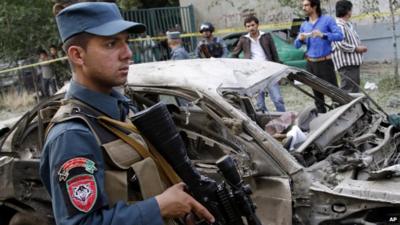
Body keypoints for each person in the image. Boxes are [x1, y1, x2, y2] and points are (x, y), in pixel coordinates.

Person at [39, 2, 215, 225]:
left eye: (126, 42)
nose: (128, 53)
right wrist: (159, 207)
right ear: (78, 55)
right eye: (111, 44)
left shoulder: (123, 111)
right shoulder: (73, 135)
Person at [294, 0, 343, 113]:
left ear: (314, 6)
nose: (303, 8)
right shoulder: (304, 25)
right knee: (317, 95)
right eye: (303, 6)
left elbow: (340, 36)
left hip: (325, 63)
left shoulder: (327, 20)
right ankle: (322, 118)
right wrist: (300, 39)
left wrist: (323, 35)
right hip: (311, 63)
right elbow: (296, 45)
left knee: (334, 93)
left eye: (306, 5)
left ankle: (339, 116)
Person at [231, 15, 286, 112]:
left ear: (257, 25)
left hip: (269, 72)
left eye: (252, 25)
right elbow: (234, 54)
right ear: (246, 28)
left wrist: (279, 72)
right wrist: (239, 68)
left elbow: (274, 54)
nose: (251, 28)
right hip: (254, 74)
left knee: (277, 99)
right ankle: (264, 122)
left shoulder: (266, 36)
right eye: (248, 26)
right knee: (259, 103)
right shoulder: (244, 39)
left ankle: (284, 120)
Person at [332, 0, 368, 93]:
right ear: (347, 11)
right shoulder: (339, 25)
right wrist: (356, 48)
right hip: (346, 64)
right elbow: (340, 44)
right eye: (351, 10)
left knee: (353, 90)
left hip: (351, 64)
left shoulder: (347, 25)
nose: (351, 12)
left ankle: (353, 107)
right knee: (348, 90)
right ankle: (342, 106)